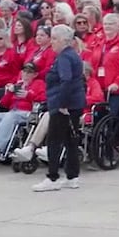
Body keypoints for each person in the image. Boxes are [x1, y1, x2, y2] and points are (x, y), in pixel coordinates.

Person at [32, 25, 85, 192]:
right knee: (70, 139)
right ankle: (72, 176)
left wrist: (62, 103)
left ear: (63, 40)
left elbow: (66, 80)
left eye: (54, 38)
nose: (52, 42)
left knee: (54, 140)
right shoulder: (72, 55)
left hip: (64, 104)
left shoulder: (64, 57)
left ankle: (53, 176)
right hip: (74, 103)